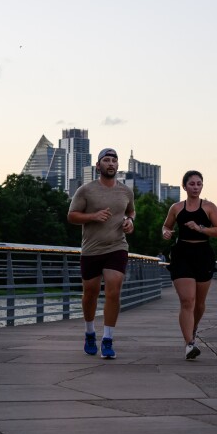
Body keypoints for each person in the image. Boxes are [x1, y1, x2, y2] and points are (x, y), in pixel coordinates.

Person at [67, 148, 135, 359]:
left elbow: (131, 210)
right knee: (90, 294)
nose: (111, 163)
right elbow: (71, 216)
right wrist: (93, 216)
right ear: (98, 166)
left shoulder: (126, 191)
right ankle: (89, 333)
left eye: (114, 160)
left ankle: (107, 339)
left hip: (117, 247)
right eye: (106, 160)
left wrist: (130, 221)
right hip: (91, 249)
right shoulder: (85, 190)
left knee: (113, 291)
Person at [161, 170, 217, 360]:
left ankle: (193, 328)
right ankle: (189, 344)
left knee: (199, 303)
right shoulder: (176, 208)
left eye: (199, 184)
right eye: (192, 184)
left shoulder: (210, 207)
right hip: (182, 254)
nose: (196, 187)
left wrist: (200, 228)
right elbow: (167, 226)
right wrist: (165, 232)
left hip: (203, 254)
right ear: (184, 186)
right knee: (187, 301)